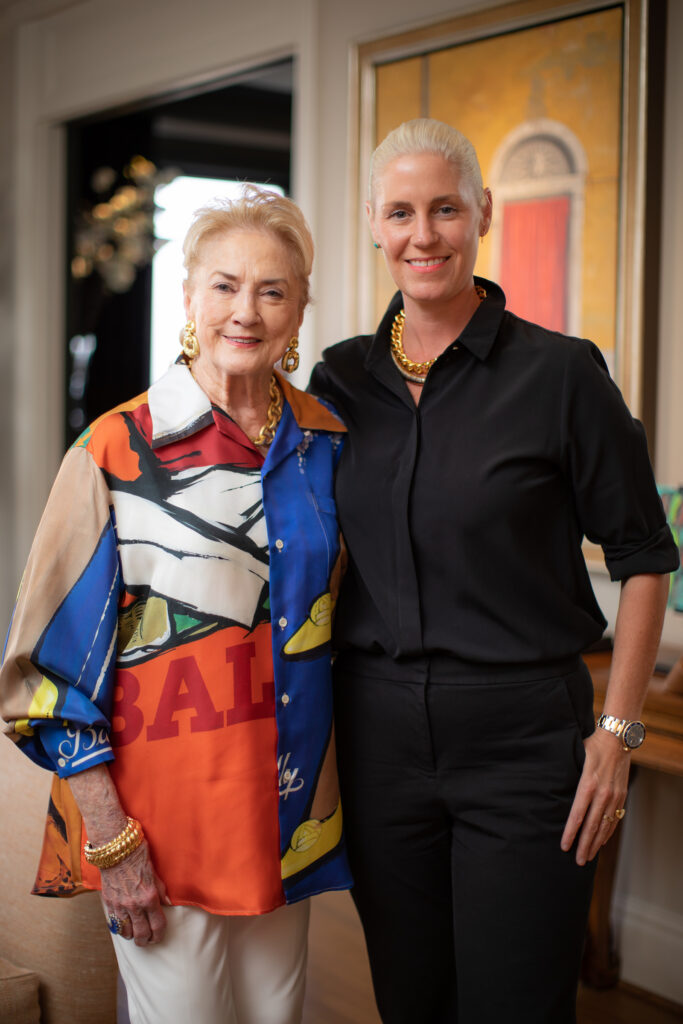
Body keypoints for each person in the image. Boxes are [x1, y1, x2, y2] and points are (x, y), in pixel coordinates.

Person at [310, 119, 679, 1024]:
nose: (422, 234)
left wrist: (618, 734)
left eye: (444, 208)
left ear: (483, 212)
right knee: (411, 1000)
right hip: (378, 738)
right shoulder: (337, 381)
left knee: (515, 1004)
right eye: (400, 212)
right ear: (372, 222)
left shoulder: (561, 375)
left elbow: (642, 559)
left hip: (522, 743)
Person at [1, 184, 352, 1024]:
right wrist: (114, 843)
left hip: (288, 812)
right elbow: (44, 675)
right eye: (225, 285)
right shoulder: (115, 449)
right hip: (161, 825)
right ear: (189, 295)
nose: (247, 310)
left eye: (272, 290)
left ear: (300, 309)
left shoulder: (328, 444)